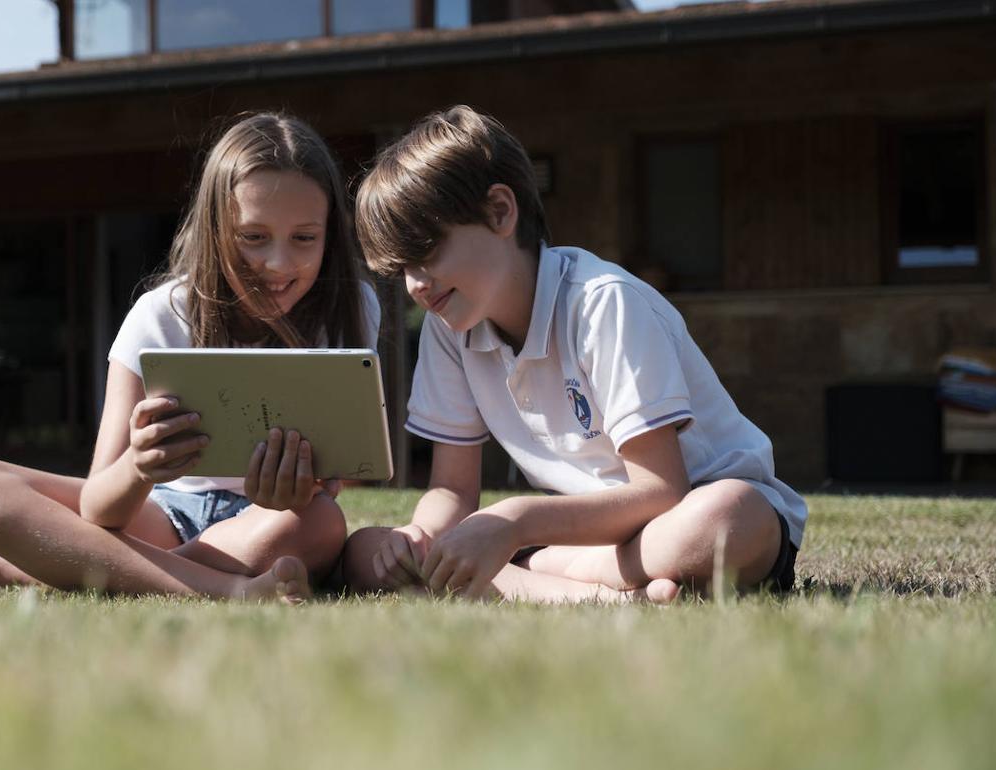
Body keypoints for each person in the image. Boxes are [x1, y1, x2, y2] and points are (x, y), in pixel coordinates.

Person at [343, 105, 806, 604]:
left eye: (427, 251)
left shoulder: (602, 301)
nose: (415, 283)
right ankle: (610, 594)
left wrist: (516, 524)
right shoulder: (448, 327)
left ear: (500, 211)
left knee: (727, 516)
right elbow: (452, 491)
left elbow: (662, 491)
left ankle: (540, 574)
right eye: (403, 267)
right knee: (364, 551)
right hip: (588, 530)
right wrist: (421, 536)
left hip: (687, 513)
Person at [0, 112, 379, 604]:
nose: (278, 264)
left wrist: (305, 484)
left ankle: (65, 568)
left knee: (320, 522)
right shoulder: (159, 316)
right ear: (215, 229)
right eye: (253, 237)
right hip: (158, 515)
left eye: (304, 238)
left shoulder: (351, 305)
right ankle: (226, 589)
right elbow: (98, 505)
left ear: (330, 236)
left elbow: (346, 470)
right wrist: (140, 467)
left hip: (266, 525)